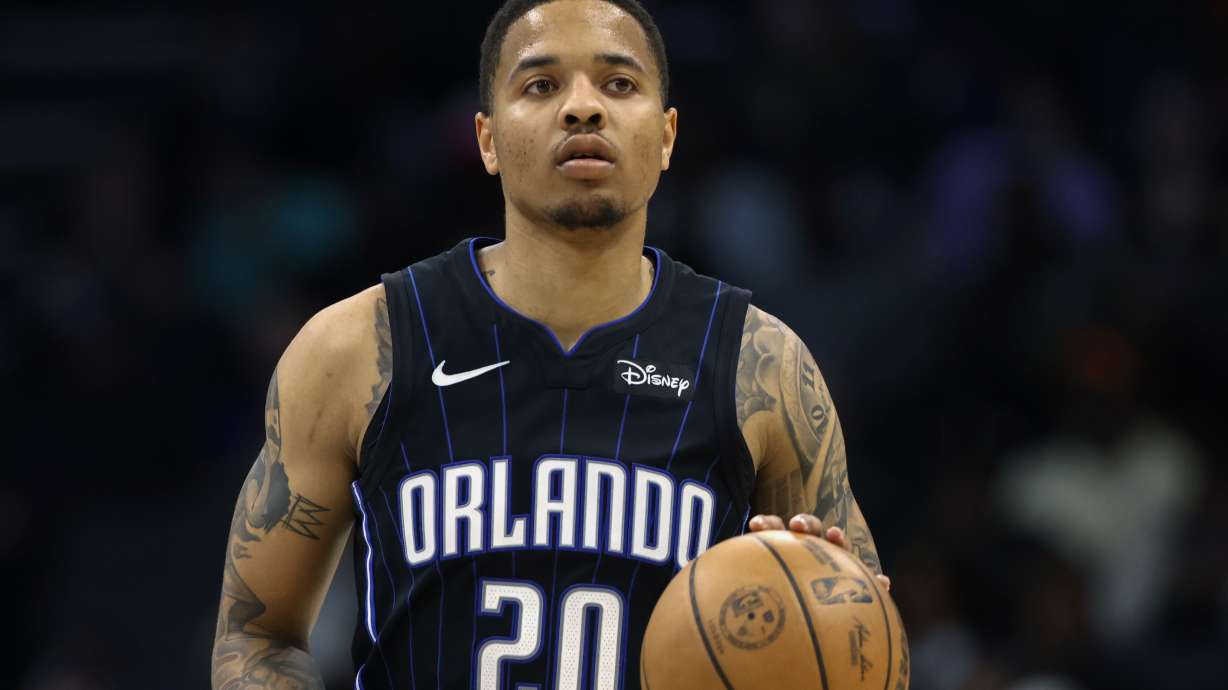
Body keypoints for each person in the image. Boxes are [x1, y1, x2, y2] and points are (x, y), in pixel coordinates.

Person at [210, 1, 888, 688]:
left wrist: (834, 618)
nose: (583, 109)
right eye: (540, 85)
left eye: (619, 84)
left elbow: (868, 655)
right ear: (488, 139)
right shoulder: (356, 347)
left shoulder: (760, 364)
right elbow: (259, 632)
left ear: (666, 135)